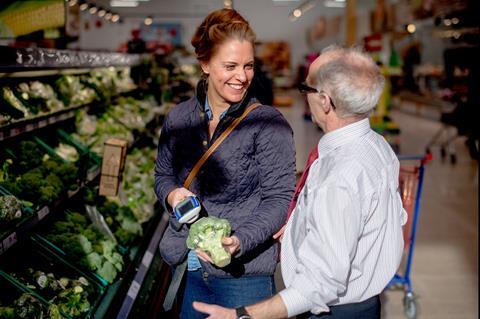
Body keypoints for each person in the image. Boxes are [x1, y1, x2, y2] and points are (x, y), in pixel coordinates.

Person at [193, 45, 407, 319]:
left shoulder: (339, 176)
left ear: (325, 101)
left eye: (305, 89)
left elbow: (318, 285)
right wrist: (302, 220)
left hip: (332, 312)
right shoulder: (376, 146)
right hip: (366, 305)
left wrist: (242, 315)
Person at [154, 8, 296, 319]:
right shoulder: (179, 118)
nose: (242, 77)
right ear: (205, 64)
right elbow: (163, 174)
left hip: (242, 278)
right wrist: (172, 194)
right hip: (188, 268)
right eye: (230, 66)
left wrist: (239, 242)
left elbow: (279, 200)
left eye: (248, 66)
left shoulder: (269, 124)